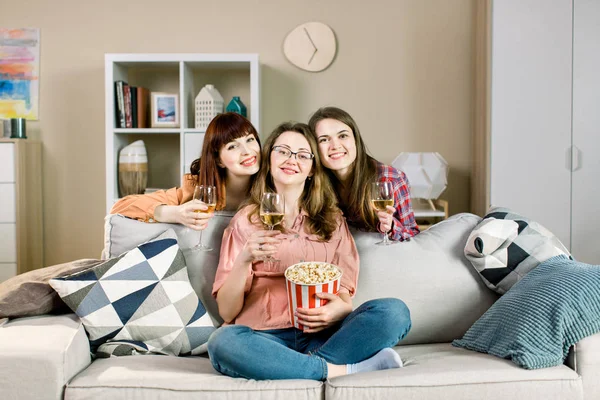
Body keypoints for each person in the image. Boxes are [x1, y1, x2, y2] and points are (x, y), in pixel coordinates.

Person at [207, 122, 411, 380]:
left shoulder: (333, 219)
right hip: (264, 338)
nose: (292, 160)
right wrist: (244, 259)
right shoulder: (245, 221)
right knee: (222, 342)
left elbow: (344, 290)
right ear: (269, 158)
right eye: (283, 151)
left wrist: (341, 309)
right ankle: (341, 370)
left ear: (313, 169)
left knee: (394, 312)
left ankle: (299, 367)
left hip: (325, 336)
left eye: (303, 155)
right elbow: (227, 312)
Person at [110, 112, 261, 231]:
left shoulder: (271, 189)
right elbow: (121, 206)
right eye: (232, 146)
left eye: (250, 139)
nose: (247, 151)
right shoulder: (196, 191)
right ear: (219, 160)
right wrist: (176, 213)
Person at [308, 106, 420, 241]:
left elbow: (412, 233)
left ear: (356, 140)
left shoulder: (390, 178)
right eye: (324, 139)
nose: (335, 145)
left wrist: (391, 226)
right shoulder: (312, 181)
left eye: (343, 136)